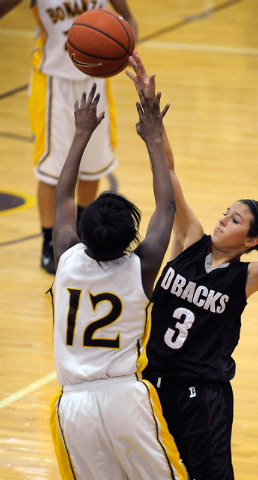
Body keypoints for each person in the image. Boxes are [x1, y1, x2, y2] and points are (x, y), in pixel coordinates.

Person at [127, 52, 258, 480]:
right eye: (225, 212)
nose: (222, 219)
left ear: (251, 242)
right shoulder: (188, 240)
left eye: (235, 220)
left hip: (202, 396)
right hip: (152, 382)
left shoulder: (246, 277)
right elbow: (170, 174)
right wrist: (151, 112)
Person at [47, 84, 188, 480]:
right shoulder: (140, 268)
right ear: (131, 239)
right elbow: (167, 206)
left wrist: (80, 132)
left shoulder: (66, 259)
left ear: (82, 230)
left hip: (73, 405)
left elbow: (62, 199)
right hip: (126, 397)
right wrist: (154, 137)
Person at [0, 0, 137, 274]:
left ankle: (83, 236)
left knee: (92, 165)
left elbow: (127, 17)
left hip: (95, 78)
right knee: (52, 170)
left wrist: (126, 35)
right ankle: (49, 243)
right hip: (54, 81)